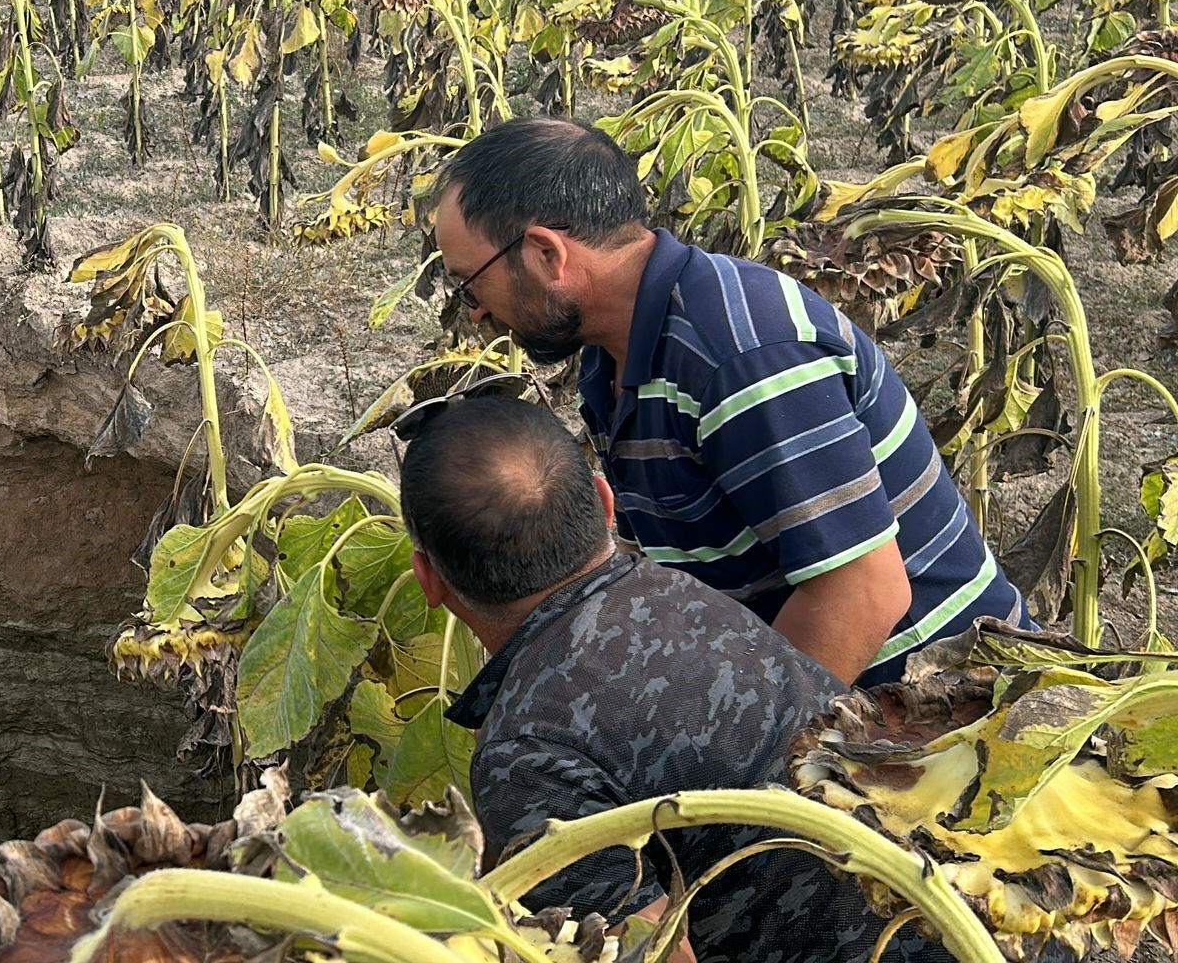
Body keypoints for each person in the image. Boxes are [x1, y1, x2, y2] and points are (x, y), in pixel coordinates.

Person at [431, 116, 1031, 686]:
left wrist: (731, 749)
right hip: (801, 669)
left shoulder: (741, 358)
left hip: (927, 695)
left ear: (547, 254)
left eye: (470, 282)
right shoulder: (614, 350)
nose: (474, 311)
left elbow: (863, 595)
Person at [395, 393, 947, 963]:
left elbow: (652, 952)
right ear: (605, 503)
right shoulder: (681, 593)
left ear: (428, 580)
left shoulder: (525, 756)